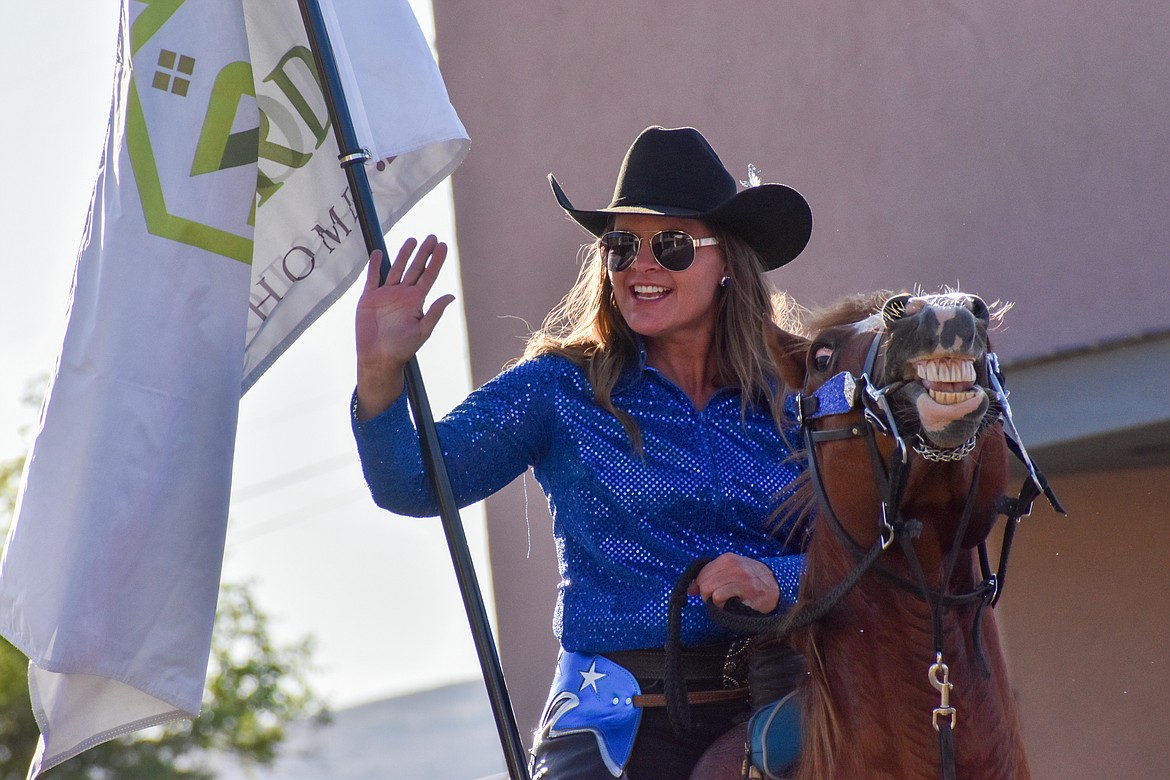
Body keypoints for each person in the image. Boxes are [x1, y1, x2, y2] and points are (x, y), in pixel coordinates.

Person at [352, 126, 813, 779]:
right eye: (621, 246)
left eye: (672, 245)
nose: (641, 266)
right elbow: (414, 482)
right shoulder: (557, 387)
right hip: (614, 721)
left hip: (782, 701)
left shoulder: (801, 395)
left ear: (728, 263)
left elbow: (865, 550)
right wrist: (380, 374)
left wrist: (777, 580)